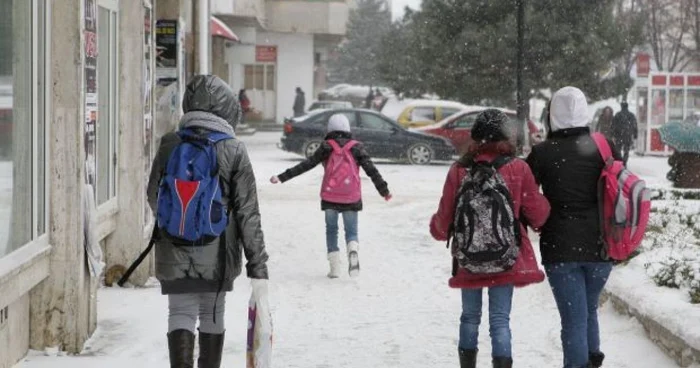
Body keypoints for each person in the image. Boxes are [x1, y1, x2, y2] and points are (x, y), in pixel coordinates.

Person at [147, 75, 269, 368]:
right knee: (212, 312)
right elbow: (247, 212)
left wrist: (179, 221)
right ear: (227, 108)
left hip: (173, 249)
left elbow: (154, 194)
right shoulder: (233, 149)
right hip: (218, 253)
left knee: (180, 312)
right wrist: (258, 265)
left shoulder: (169, 143)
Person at [430, 109, 550, 368]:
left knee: (470, 317)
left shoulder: (459, 170)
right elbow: (538, 214)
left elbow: (445, 217)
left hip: (469, 257)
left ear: (475, 137)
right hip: (505, 255)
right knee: (500, 319)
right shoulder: (518, 168)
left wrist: (438, 230)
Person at [526, 86, 620, 368]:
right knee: (587, 309)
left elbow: (527, 197)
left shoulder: (542, 153)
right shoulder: (605, 147)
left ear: (552, 115)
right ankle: (593, 360)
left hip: (560, 247)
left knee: (574, 319)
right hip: (602, 245)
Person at [270, 114, 391, 278]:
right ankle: (353, 249)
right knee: (351, 231)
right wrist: (384, 191)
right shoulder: (357, 147)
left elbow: (307, 165)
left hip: (330, 196)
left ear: (330, 129)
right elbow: (372, 171)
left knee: (331, 230)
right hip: (351, 195)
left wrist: (282, 176)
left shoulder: (327, 146)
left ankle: (334, 268)